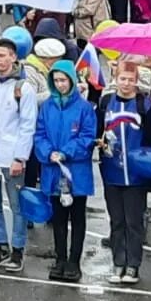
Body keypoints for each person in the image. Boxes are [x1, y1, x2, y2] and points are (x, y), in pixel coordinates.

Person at [35, 60, 97, 282]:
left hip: (75, 172)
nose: (60, 84)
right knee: (58, 218)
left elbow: (87, 138)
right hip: (53, 171)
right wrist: (48, 152)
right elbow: (39, 134)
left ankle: (74, 261)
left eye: (64, 80)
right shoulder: (47, 107)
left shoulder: (84, 108)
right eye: (57, 80)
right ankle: (60, 258)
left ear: (72, 80)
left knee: (77, 216)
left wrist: (65, 152)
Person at [97, 60, 151, 284]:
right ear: (115, 79)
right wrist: (100, 144)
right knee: (116, 221)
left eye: (131, 80)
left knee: (134, 222)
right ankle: (118, 262)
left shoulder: (144, 104)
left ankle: (133, 265)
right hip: (111, 172)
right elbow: (97, 131)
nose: (126, 83)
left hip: (136, 174)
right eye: (122, 79)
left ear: (137, 81)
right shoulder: (105, 102)